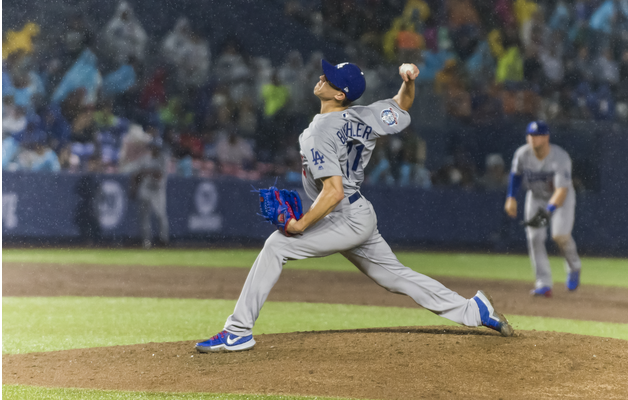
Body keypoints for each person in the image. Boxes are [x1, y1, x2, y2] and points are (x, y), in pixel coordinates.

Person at [195, 60, 513, 353]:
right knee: (396, 277)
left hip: (343, 215)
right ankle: (474, 309)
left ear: (339, 93)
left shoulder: (319, 132)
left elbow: (332, 192)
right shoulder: (366, 115)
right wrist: (408, 81)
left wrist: (300, 225)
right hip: (356, 213)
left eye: (329, 78)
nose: (322, 77)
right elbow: (402, 104)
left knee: (277, 246)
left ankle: (238, 331)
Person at [504, 121, 581, 297]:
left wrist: (548, 211)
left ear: (546, 137)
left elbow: (561, 190)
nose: (533, 139)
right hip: (536, 197)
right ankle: (543, 283)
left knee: (560, 235)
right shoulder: (522, 154)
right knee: (534, 237)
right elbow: (515, 176)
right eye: (530, 135)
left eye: (537, 135)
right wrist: (511, 198)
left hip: (561, 198)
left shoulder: (560, 157)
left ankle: (574, 266)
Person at [129, 138, 170, 249]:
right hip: (145, 189)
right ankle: (146, 241)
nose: (155, 149)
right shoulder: (145, 159)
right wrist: (134, 189)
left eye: (157, 147)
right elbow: (135, 175)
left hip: (157, 190)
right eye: (153, 147)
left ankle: (163, 240)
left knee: (160, 215)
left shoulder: (163, 159)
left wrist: (145, 172)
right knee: (144, 217)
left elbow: (158, 174)